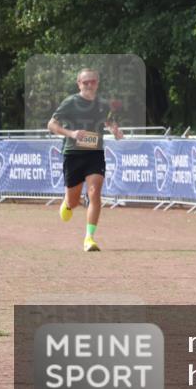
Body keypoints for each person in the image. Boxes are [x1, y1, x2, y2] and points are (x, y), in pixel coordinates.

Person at [47, 68, 123, 252]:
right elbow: (51, 124)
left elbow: (108, 120)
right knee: (73, 202)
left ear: (97, 83)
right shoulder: (70, 102)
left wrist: (114, 129)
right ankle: (68, 203)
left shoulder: (103, 104)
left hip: (94, 153)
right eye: (85, 82)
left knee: (94, 192)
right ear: (79, 84)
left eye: (92, 82)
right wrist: (71, 133)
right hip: (73, 154)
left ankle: (89, 238)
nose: (89, 85)